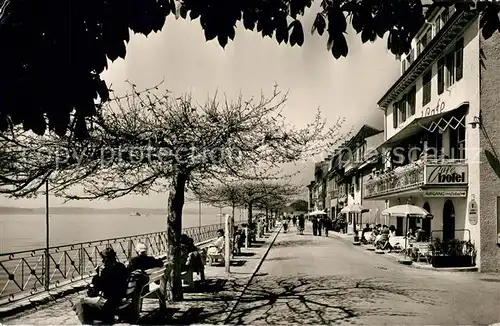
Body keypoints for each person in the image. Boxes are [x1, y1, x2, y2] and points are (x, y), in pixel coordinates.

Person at [74, 248, 130, 324]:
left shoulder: (106, 272)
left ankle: (86, 324)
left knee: (80, 303)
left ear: (106, 259)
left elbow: (97, 289)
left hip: (108, 302)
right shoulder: (122, 267)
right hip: (119, 299)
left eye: (103, 259)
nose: (102, 261)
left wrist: (98, 274)